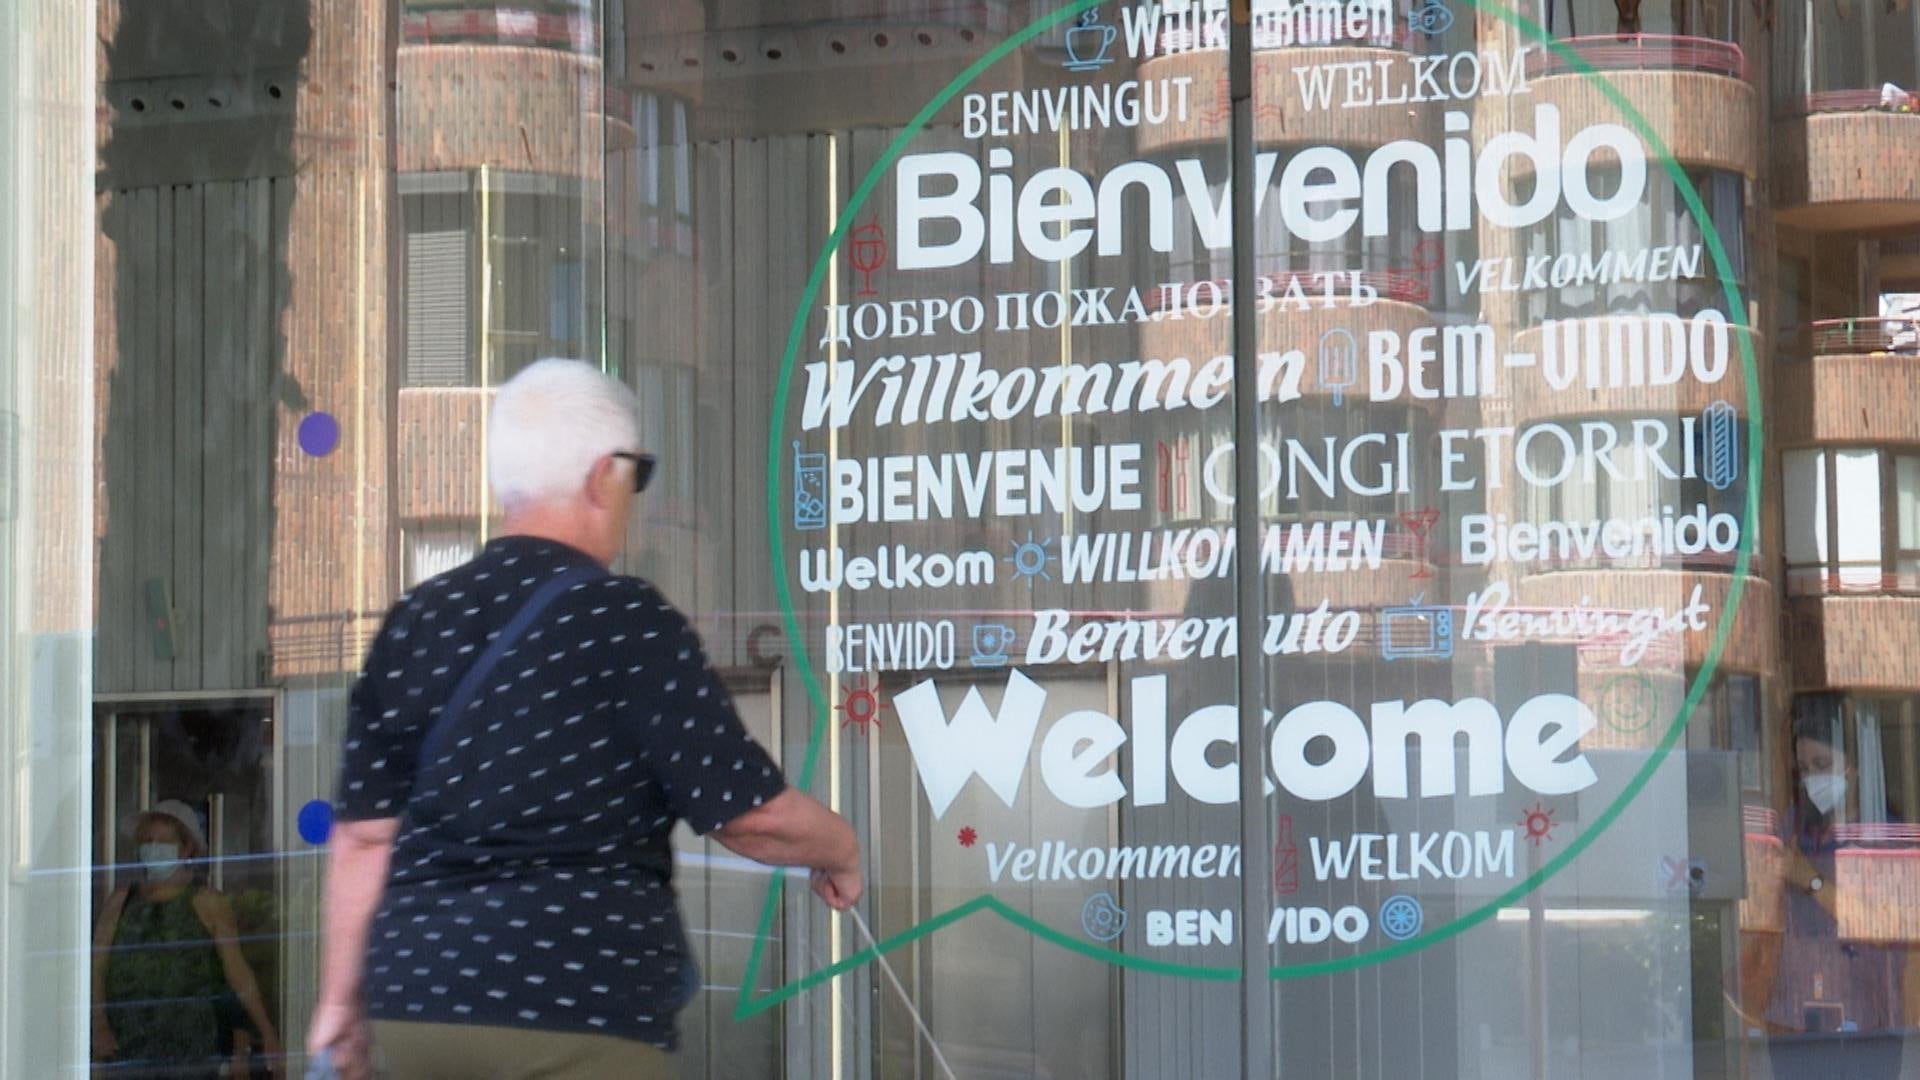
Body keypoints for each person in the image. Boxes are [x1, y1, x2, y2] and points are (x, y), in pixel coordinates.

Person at [308, 359, 862, 1079]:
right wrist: (842, 846)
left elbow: (361, 838)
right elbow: (747, 815)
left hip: (420, 1007)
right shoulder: (624, 619)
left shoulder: (418, 620)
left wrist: (339, 1004)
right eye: (641, 472)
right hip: (574, 1005)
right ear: (605, 476)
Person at [1744, 709, 1920, 1078]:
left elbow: (1887, 924)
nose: (1813, 778)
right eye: (1805, 768)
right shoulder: (1794, 825)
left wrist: (1810, 879)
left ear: (1853, 767)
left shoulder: (1887, 835)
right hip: (1792, 1017)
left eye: (1823, 763)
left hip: (1868, 1021)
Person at [91, 799, 283, 1078]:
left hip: (192, 1052)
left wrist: (265, 1033)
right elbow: (96, 968)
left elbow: (236, 974)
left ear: (186, 848)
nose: (153, 847)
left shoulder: (206, 902)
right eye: (147, 840)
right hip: (127, 1049)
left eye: (163, 841)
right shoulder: (120, 901)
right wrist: (99, 1026)